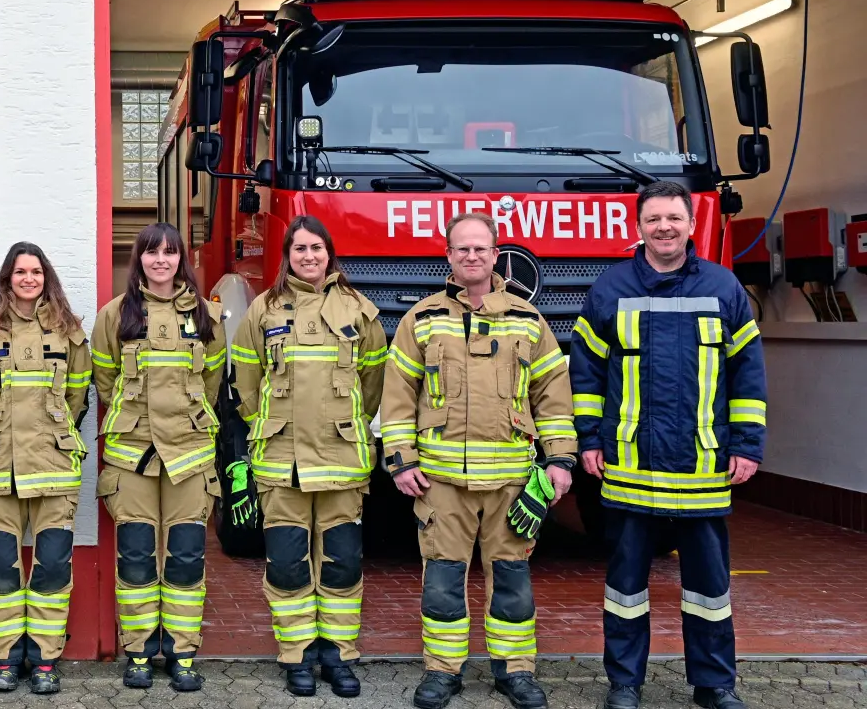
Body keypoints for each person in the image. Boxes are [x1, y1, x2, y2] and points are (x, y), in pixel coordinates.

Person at [569, 182, 767, 709]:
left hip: (703, 465)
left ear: (689, 225)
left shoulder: (725, 289)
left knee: (709, 591)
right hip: (630, 464)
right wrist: (588, 439)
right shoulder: (609, 291)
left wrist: (747, 445)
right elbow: (586, 375)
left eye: (673, 218)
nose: (664, 227)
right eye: (654, 219)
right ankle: (625, 684)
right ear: (639, 227)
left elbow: (748, 376)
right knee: (626, 590)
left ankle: (714, 685)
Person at [382, 211, 577, 709]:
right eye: (461, 249)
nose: (471, 256)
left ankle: (515, 671)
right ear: (448, 256)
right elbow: (398, 397)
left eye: (480, 249)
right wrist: (402, 461)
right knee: (443, 579)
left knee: (512, 580)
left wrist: (559, 461)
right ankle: (442, 671)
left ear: (496, 256)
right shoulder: (420, 320)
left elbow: (552, 396)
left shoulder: (528, 321)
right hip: (440, 481)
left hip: (510, 480)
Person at [230, 216, 387, 698]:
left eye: (316, 248)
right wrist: (268, 428)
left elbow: (373, 387)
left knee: (341, 565)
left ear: (329, 253)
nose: (308, 256)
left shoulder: (360, 310)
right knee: (288, 565)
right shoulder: (263, 309)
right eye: (299, 248)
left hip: (341, 462)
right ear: (287, 255)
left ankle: (339, 656)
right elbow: (246, 384)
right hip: (283, 464)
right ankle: (296, 655)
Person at [91, 223, 226, 693]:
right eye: (152, 253)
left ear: (180, 259)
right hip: (133, 458)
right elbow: (104, 382)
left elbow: (212, 381)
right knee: (136, 560)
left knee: (186, 557)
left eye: (170, 253)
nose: (161, 261)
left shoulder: (208, 316)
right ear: (140, 260)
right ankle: (140, 652)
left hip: (189, 456)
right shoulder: (115, 315)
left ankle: (183, 653)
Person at [0, 242, 93, 694]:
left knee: (52, 570)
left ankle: (42, 660)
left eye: (35, 272)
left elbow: (78, 396)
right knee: (0, 571)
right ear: (7, 279)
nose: (28, 279)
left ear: (46, 278)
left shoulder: (68, 331)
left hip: (54, 468)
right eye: (20, 272)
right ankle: (5, 659)